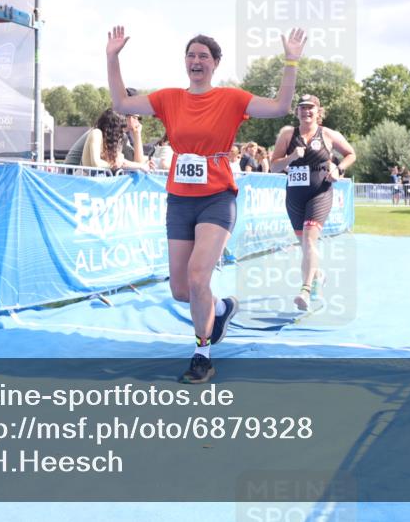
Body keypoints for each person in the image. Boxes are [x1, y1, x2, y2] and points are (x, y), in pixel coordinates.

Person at [107, 25, 306, 384]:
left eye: (203, 56)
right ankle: (221, 309)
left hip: (217, 198)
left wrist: (290, 61)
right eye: (191, 55)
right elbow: (121, 104)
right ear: (185, 63)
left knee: (199, 275)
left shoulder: (230, 99)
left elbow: (280, 107)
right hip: (180, 200)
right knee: (182, 290)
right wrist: (112, 56)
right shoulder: (169, 98)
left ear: (214, 64)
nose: (196, 60)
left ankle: (202, 353)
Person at [269, 94, 356, 310]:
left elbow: (350, 154)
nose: (306, 112)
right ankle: (317, 275)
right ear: (296, 112)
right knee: (305, 245)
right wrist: (290, 158)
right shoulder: (288, 135)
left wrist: (339, 168)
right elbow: (274, 167)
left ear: (319, 112)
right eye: (302, 108)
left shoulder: (327, 134)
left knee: (309, 239)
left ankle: (305, 291)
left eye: (311, 108)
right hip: (295, 195)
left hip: (320, 191)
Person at [65, 87, 143, 166]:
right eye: (137, 117)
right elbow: (97, 163)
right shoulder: (98, 132)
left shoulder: (121, 136)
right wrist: (117, 164)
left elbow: (137, 164)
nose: (139, 122)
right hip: (72, 174)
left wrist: (137, 135)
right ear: (127, 115)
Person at [81, 108, 148, 172]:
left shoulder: (110, 140)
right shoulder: (96, 133)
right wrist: (114, 164)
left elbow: (122, 162)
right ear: (112, 127)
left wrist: (142, 166)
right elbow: (96, 163)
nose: (121, 133)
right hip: (84, 180)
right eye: (119, 128)